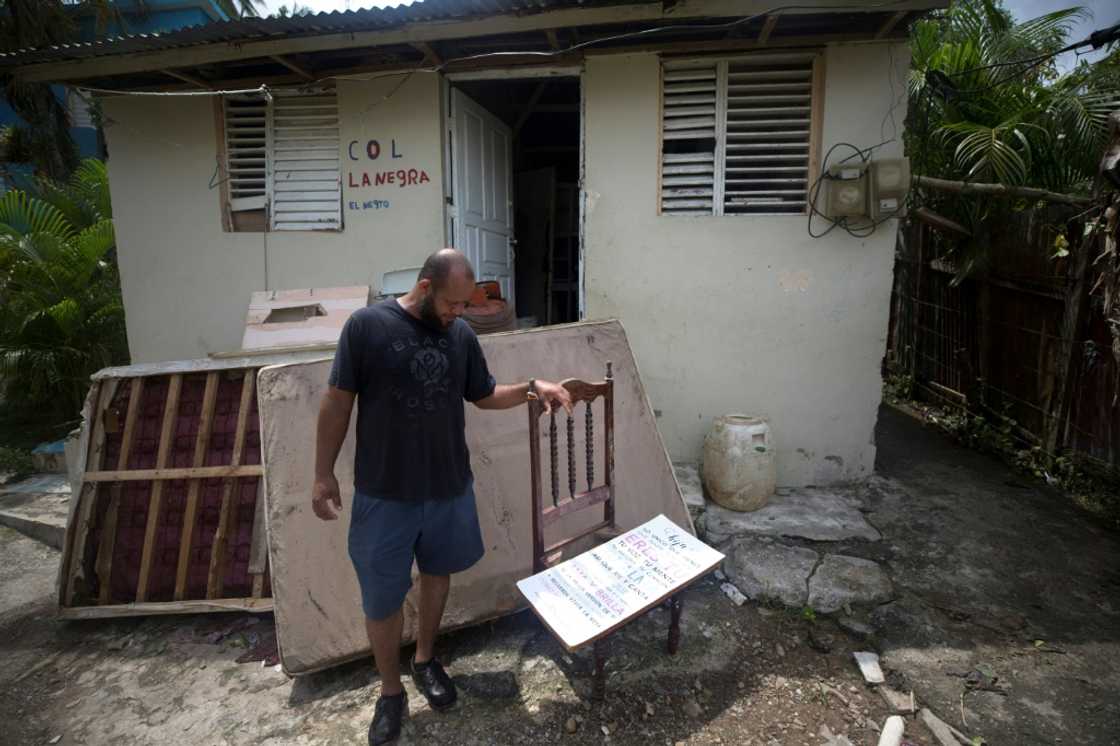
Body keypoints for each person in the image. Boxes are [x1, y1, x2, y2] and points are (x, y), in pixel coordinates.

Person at [312, 249, 572, 745]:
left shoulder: (462, 337)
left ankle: (426, 659)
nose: (458, 313)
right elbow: (337, 402)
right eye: (453, 303)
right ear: (426, 287)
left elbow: (483, 394)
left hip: (448, 486)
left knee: (437, 576)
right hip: (383, 493)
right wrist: (322, 474)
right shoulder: (367, 327)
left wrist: (533, 388)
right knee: (382, 597)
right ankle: (390, 692)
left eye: (465, 305)